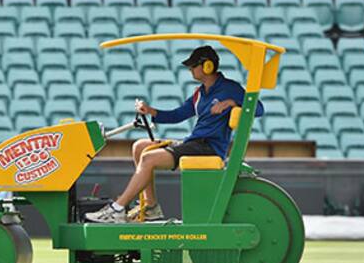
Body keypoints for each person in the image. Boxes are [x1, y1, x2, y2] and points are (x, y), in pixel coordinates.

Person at [85, 45, 264, 223]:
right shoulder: (199, 93)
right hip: (194, 144)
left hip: (207, 147)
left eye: (193, 65)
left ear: (208, 66)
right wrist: (150, 111)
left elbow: (259, 108)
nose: (190, 69)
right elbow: (178, 115)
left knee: (149, 159)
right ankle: (151, 207)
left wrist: (230, 103)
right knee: (139, 146)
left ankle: (117, 209)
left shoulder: (230, 88)